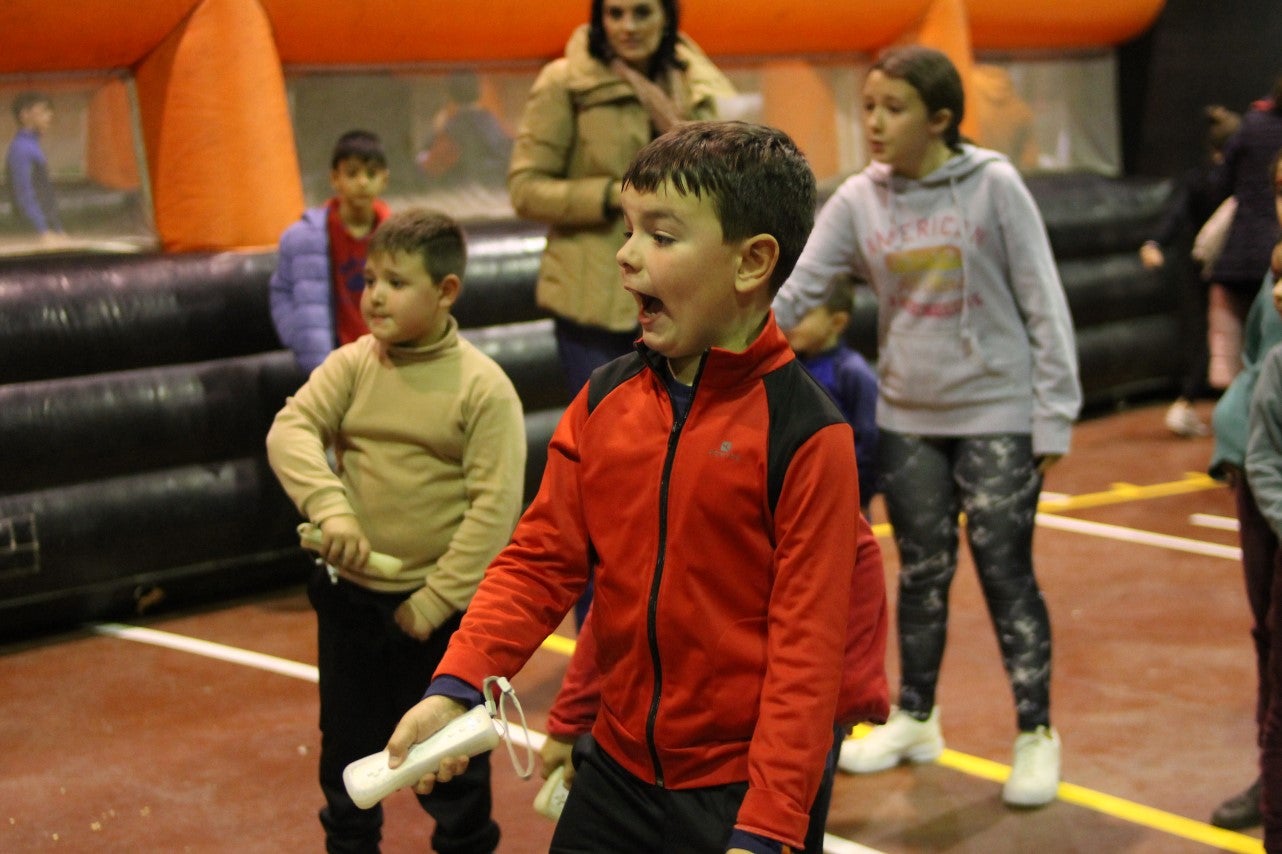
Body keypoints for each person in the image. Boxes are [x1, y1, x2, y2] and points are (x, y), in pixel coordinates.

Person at [384, 121, 889, 854]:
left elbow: (807, 657)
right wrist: (456, 684)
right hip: (617, 769)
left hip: (738, 789)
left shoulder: (808, 440)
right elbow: (543, 563)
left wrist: (771, 824)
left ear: (752, 262)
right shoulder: (602, 403)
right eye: (628, 229)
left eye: (660, 235)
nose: (624, 256)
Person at [773, 45, 1082, 808]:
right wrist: (716, 342)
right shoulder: (856, 199)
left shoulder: (995, 186)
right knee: (922, 574)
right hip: (909, 412)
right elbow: (797, 290)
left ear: (940, 119)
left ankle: (1037, 735)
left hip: (1000, 413)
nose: (873, 122)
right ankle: (916, 717)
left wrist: (1055, 414)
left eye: (894, 108)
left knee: (1007, 572)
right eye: (868, 105)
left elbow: (1043, 298)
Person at [265, 208, 527, 854]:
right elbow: (289, 431)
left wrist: (433, 602)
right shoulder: (354, 363)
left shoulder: (483, 390)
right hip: (350, 606)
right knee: (349, 768)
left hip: (435, 621)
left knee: (452, 781)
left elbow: (494, 512)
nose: (374, 296)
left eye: (397, 282)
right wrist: (333, 511)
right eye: (370, 278)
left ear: (446, 293)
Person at [507, 0, 736, 397]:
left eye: (642, 12)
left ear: (667, 17)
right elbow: (525, 190)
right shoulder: (565, 82)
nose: (627, 26)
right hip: (595, 300)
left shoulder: (696, 82)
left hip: (684, 291)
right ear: (599, 20)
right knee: (607, 437)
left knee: (686, 434)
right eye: (615, 14)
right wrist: (621, 195)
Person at [1209, 161, 1282, 832]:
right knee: (1269, 639)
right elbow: (1261, 361)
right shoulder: (1274, 273)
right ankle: (1271, 776)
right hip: (1259, 476)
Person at [1139, 105, 1241, 437]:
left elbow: (1176, 213)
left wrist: (1155, 242)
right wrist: (1155, 241)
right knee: (1219, 339)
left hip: (1207, 268)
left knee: (1216, 339)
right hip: (1218, 270)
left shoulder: (1206, 178)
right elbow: (1179, 213)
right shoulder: (1224, 182)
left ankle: (1193, 402)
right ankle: (1188, 401)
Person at [269, 130, 392, 375]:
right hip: (330, 366)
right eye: (352, 173)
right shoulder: (304, 237)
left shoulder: (399, 238)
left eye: (371, 173)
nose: (363, 182)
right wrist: (301, 337)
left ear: (384, 179)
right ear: (335, 178)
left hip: (386, 364)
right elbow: (281, 291)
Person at [782, 272, 879, 517]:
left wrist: (858, 493)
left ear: (837, 322)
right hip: (795, 496)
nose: (789, 321)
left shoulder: (852, 372)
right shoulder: (786, 365)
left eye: (802, 315)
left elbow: (868, 440)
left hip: (841, 499)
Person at [1205, 81, 1282, 389]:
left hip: (1240, 255)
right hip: (1265, 256)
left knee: (1244, 359)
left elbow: (1220, 183)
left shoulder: (1252, 124)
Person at [417, 71, 513, 191]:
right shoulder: (495, 125)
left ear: (450, 92)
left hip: (456, 197)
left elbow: (428, 166)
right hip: (497, 197)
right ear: (479, 90)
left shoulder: (451, 128)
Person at [5, 91, 65, 243]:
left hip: (47, 230)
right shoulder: (22, 149)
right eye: (43, 110)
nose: (49, 115)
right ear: (25, 115)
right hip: (36, 234)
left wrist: (57, 229)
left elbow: (44, 193)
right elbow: (24, 194)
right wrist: (42, 231)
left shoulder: (31, 146)